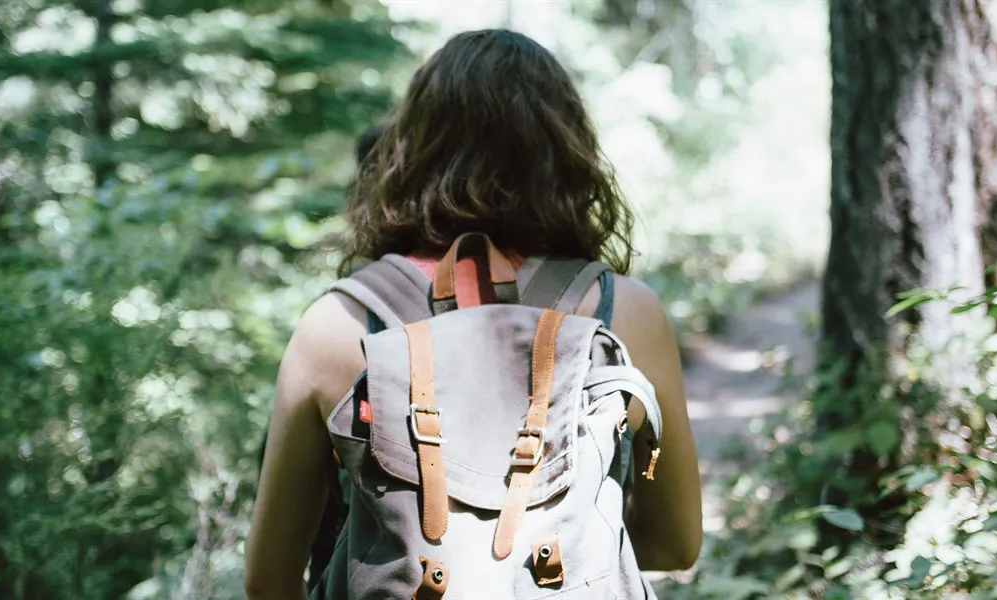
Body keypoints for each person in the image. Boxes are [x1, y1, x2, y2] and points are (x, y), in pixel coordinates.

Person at [244, 29, 701, 599]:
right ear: (566, 154)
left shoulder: (338, 325)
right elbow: (674, 545)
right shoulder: (624, 313)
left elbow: (268, 581)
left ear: (410, 148)